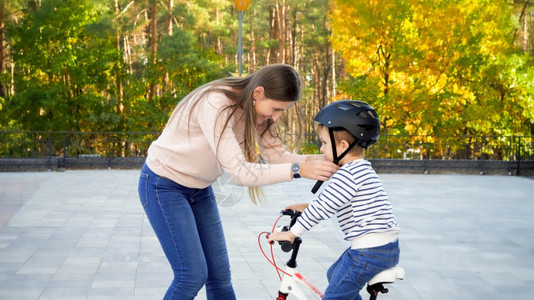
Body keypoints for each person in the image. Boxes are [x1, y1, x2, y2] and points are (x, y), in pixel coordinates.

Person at [138, 64, 339, 300]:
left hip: (200, 190)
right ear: (258, 93)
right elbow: (240, 173)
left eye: (282, 111)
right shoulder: (216, 103)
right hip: (164, 185)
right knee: (191, 275)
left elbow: (277, 157)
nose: (276, 117)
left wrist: (324, 160)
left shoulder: (259, 113)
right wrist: (299, 169)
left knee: (220, 278)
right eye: (275, 109)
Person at [268, 100, 400, 300]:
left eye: (324, 143)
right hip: (384, 249)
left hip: (368, 252)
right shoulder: (362, 169)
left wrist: (291, 234)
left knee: (333, 296)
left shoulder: (348, 175)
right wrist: (306, 207)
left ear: (343, 146)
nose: (321, 149)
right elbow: (331, 202)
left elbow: (322, 209)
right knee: (334, 275)